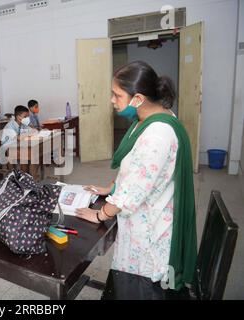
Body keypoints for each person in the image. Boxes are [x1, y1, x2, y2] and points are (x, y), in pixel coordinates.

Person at [75, 61, 197, 299]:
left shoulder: (156, 135)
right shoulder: (149, 117)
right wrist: (111, 187)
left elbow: (132, 194)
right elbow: (135, 167)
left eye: (117, 94)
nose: (112, 99)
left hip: (150, 230)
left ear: (138, 99)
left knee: (139, 288)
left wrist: (100, 215)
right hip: (143, 215)